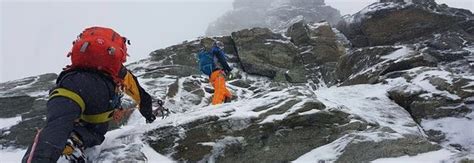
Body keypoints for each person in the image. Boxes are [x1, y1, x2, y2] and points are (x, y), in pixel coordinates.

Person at [22, 27, 161, 163]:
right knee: (94, 131)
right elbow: (141, 96)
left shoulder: (77, 66)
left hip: (68, 84)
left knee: (55, 127)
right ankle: (73, 143)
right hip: (99, 92)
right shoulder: (120, 72)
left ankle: (40, 156)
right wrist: (149, 116)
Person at [198, 41, 235, 105]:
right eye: (221, 46)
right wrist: (228, 69)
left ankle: (228, 100)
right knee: (220, 90)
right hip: (218, 73)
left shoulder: (208, 54)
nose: (221, 47)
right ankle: (216, 106)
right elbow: (223, 61)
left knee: (221, 88)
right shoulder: (217, 51)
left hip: (211, 76)